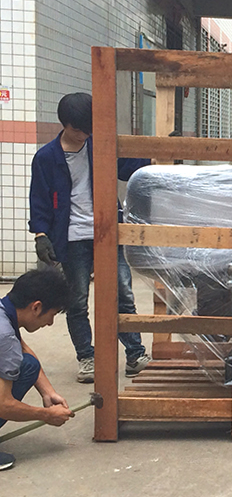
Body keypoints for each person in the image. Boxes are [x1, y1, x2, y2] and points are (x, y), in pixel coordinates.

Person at [28, 92, 151, 384]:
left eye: (88, 129)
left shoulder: (99, 145)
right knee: (77, 301)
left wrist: (156, 149)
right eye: (79, 129)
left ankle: (135, 354)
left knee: (123, 293)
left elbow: (131, 168)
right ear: (65, 124)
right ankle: (87, 358)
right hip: (71, 238)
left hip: (107, 231)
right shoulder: (46, 158)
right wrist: (41, 234)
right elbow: (39, 199)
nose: (84, 134)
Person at [1, 269, 76, 471]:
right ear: (36, 307)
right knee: (24, 365)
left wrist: (48, 392)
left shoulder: (4, 312)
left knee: (28, 364)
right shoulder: (5, 337)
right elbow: (3, 405)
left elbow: (23, 348)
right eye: (52, 315)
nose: (50, 323)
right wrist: (46, 415)